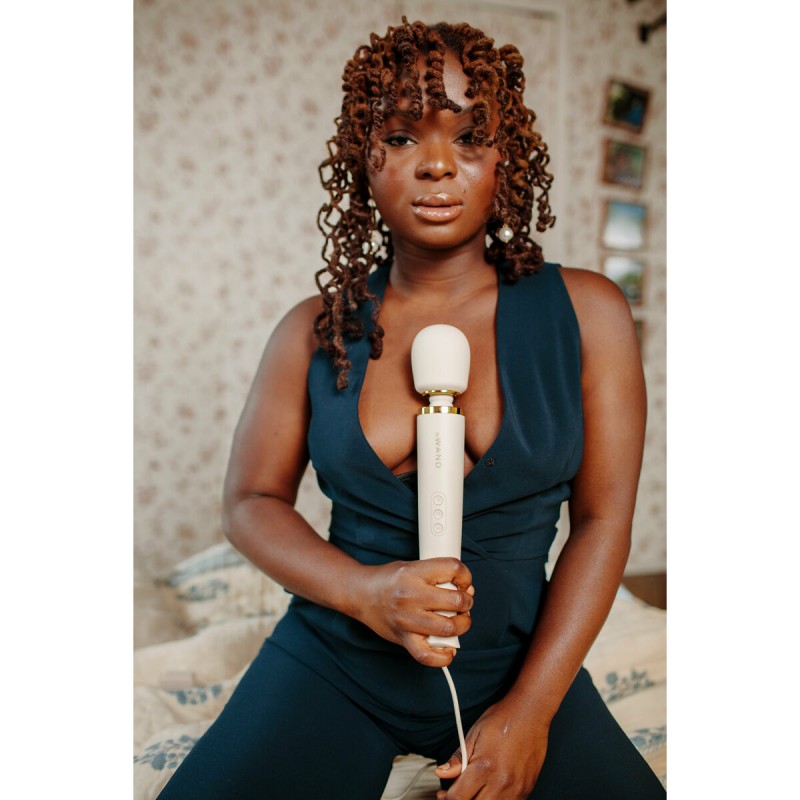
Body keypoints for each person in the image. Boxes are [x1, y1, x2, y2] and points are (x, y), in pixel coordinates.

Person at [157, 18, 665, 799]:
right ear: (362, 157)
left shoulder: (589, 313)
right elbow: (250, 503)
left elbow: (602, 522)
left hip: (520, 666)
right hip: (335, 657)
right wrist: (367, 594)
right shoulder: (312, 330)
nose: (436, 164)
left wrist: (531, 711)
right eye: (400, 136)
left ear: (506, 157)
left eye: (470, 137)